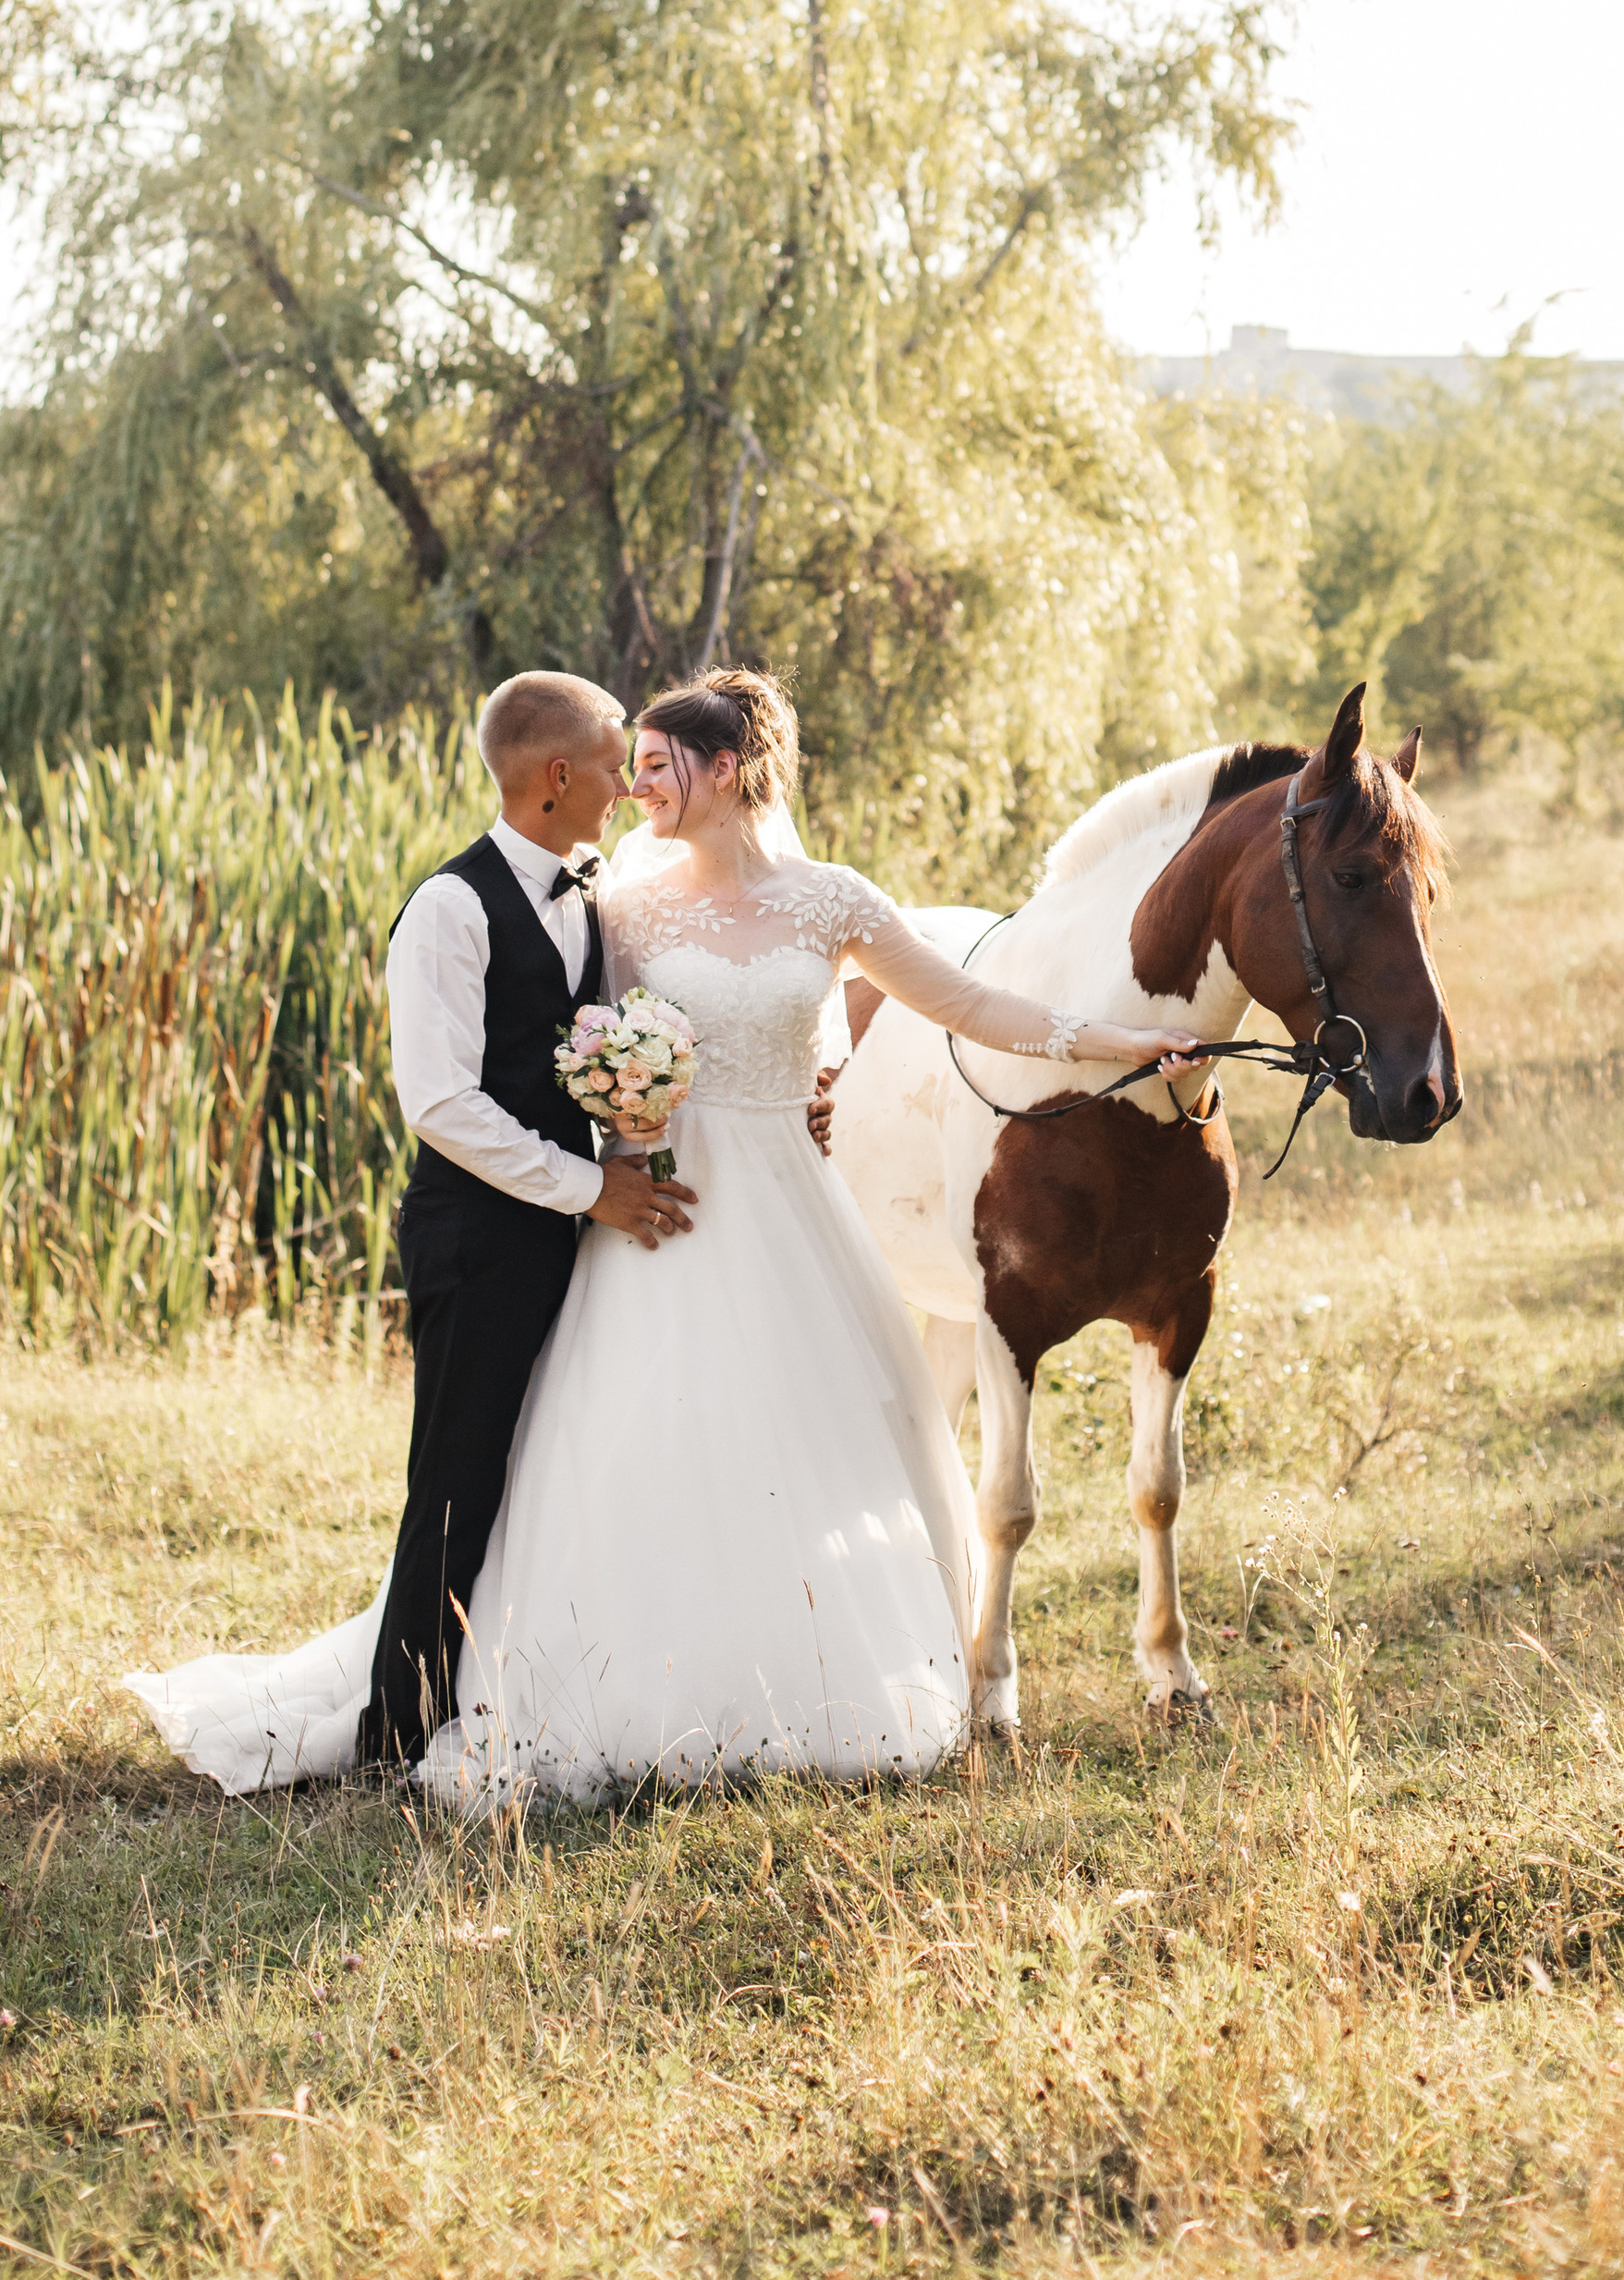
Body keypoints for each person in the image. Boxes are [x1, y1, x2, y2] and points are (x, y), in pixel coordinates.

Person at [126, 667, 1202, 1798]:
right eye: (623, 762)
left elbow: (971, 1006)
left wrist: (1122, 1043)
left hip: (792, 1212)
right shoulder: (619, 905)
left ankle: (807, 1679)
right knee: (633, 1444)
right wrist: (620, 1132)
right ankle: (577, 1687)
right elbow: (575, 1044)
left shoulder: (831, 901)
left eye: (657, 763)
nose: (635, 783)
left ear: (727, 770)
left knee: (802, 1443)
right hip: (658, 1212)